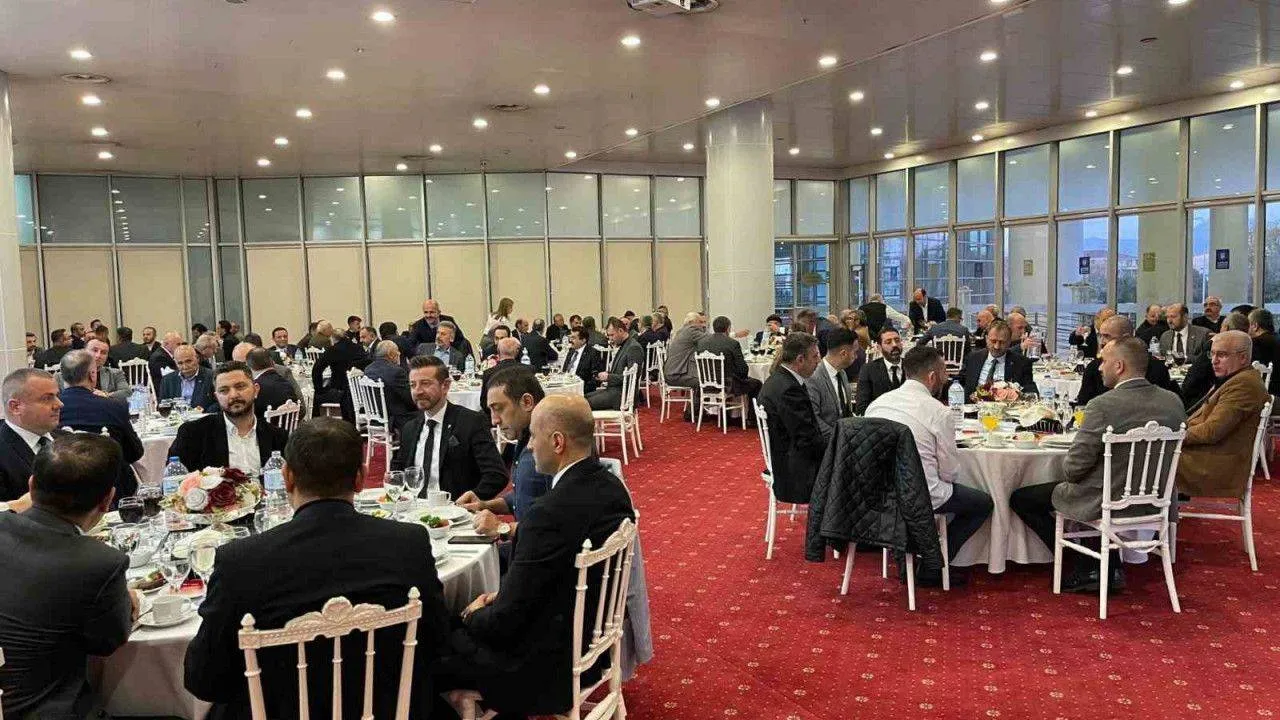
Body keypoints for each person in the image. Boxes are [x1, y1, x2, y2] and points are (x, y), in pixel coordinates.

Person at [184, 418, 452, 719]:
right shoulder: (409, 543)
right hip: (388, 709)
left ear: (287, 477)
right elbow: (437, 641)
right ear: (361, 478)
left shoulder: (240, 561)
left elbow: (204, 680)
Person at [441, 395, 634, 716]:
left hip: (545, 668)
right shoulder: (612, 486)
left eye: (533, 436)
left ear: (557, 442)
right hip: (593, 644)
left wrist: (469, 614)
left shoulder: (547, 514)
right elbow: (553, 576)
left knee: (431, 635)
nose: (529, 446)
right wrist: (501, 597)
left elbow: (504, 623)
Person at [1010, 337, 1187, 593]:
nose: (1100, 367)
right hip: (1158, 499)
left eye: (1103, 361)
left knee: (1022, 498)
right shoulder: (1173, 402)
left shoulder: (1103, 406)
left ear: (1119, 366)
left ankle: (1085, 565)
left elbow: (1073, 469)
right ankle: (1107, 564)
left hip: (1106, 500)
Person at [0, 433, 139, 719]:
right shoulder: (101, 562)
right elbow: (107, 643)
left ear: (31, 486)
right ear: (107, 501)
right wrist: (130, 601)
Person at [866, 345, 994, 585]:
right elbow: (949, 472)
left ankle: (908, 556)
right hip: (922, 495)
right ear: (933, 376)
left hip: (879, 494)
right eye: (944, 372)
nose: (946, 378)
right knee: (983, 503)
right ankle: (934, 564)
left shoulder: (877, 404)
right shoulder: (938, 412)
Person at [390, 356, 508, 500]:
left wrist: (472, 498)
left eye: (425, 384)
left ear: (445, 386)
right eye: (413, 385)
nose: (418, 391)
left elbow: (496, 475)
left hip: (455, 508)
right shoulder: (410, 428)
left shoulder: (470, 422)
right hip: (414, 507)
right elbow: (398, 471)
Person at [458, 367, 553, 540]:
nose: (494, 420)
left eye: (498, 408)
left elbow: (561, 523)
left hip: (538, 551)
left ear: (527, 402)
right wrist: (483, 505)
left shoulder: (552, 447)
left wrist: (502, 528)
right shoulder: (525, 436)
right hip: (526, 544)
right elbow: (525, 496)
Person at [1176, 330, 1271, 498]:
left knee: (1146, 455)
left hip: (1216, 465)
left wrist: (1173, 436)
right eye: (1212, 354)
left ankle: (1150, 510)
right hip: (1209, 454)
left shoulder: (1244, 385)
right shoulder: (1237, 378)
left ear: (1243, 358)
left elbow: (1212, 431)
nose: (1214, 360)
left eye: (1222, 355)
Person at [167, 361, 289, 475]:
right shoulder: (193, 434)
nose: (233, 395)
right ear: (216, 397)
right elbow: (173, 483)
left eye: (240, 387)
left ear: (255, 390)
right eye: (224, 390)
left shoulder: (277, 437)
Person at [56, 350, 143, 501]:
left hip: (63, 487)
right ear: (92, 375)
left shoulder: (53, 409)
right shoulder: (113, 407)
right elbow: (134, 452)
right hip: (112, 488)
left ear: (62, 376)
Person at [758, 333, 825, 504]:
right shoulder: (789, 390)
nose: (819, 361)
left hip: (784, 457)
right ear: (800, 359)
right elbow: (806, 439)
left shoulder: (778, 379)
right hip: (793, 472)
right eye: (815, 356)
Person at [1074, 315, 1178, 406]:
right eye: (1101, 336)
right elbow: (1082, 406)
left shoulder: (1157, 368)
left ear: (1126, 338)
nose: (1102, 342)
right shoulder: (1094, 367)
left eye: (1107, 336)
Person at [0, 368, 63, 506]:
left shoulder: (68, 440)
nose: (59, 404)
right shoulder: (3, 452)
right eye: (47, 398)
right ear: (15, 407)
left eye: (57, 396)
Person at [1180, 311, 1248, 410]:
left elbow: (1194, 377)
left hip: (1210, 400)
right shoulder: (1248, 347)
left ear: (1226, 328)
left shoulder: (1215, 347)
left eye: (1222, 326)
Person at [959, 321, 1039, 400]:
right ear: (986, 339)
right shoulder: (973, 358)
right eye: (993, 341)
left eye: (1002, 342)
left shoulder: (1021, 363)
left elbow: (1031, 392)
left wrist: (1017, 395)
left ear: (1009, 342)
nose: (996, 346)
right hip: (974, 406)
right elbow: (959, 382)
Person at [806, 327, 858, 443]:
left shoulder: (842, 373)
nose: (856, 357)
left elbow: (846, 411)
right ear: (843, 354)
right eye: (855, 352)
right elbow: (814, 419)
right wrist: (839, 439)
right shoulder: (814, 377)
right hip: (826, 443)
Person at [311, 320, 370, 421]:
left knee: (315, 397)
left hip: (340, 390)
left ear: (333, 339)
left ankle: (317, 423)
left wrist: (319, 389)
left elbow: (317, 369)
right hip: (360, 390)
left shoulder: (333, 350)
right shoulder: (358, 348)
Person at [697, 315, 762, 404]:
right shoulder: (732, 343)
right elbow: (743, 369)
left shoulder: (702, 343)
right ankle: (752, 412)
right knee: (757, 383)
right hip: (728, 385)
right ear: (728, 328)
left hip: (706, 384)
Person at [587, 317, 645, 411]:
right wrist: (606, 374)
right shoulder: (625, 345)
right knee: (582, 398)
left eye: (612, 335)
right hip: (615, 391)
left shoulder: (633, 348)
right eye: (608, 336)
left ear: (621, 331)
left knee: (583, 404)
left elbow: (631, 378)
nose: (610, 339)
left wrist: (608, 377)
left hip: (622, 396)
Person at [663, 312, 708, 416]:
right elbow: (710, 340)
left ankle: (695, 410)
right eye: (700, 322)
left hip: (671, 372)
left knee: (702, 378)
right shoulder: (692, 331)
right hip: (676, 374)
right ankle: (693, 412)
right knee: (704, 382)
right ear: (692, 322)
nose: (703, 325)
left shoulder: (681, 331)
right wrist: (734, 335)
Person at [854, 327, 905, 415]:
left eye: (897, 340)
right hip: (880, 420)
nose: (894, 345)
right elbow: (862, 407)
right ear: (879, 347)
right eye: (888, 342)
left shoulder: (912, 366)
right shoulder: (869, 370)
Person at [67, 338, 132, 402]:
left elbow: (127, 392)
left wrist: (106, 395)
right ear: (84, 352)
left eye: (103, 352)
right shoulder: (68, 374)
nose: (98, 356)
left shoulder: (115, 373)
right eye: (95, 350)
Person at [158, 344, 216, 411]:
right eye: (180, 363)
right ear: (175, 363)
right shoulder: (167, 380)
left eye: (188, 361)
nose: (185, 366)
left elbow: (219, 403)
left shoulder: (211, 376)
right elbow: (162, 405)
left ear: (197, 359)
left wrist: (204, 411)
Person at [246, 347, 298, 419]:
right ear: (272, 362)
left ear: (249, 367)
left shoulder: (255, 388)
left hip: (263, 425)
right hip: (288, 425)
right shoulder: (286, 384)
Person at [480, 336, 527, 406]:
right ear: (517, 352)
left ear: (498, 351)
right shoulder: (528, 370)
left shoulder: (488, 373)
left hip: (497, 410)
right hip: (522, 410)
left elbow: (484, 402)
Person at [1247, 308, 1280, 397]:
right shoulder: (1277, 338)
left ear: (1255, 326)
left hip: (1265, 393)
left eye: (1248, 325)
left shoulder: (1254, 343)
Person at [561, 327, 605, 393]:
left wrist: (581, 388)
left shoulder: (592, 353)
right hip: (566, 386)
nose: (570, 340)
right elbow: (565, 370)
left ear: (583, 340)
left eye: (573, 338)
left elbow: (596, 377)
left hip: (581, 388)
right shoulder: (571, 351)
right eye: (570, 337)